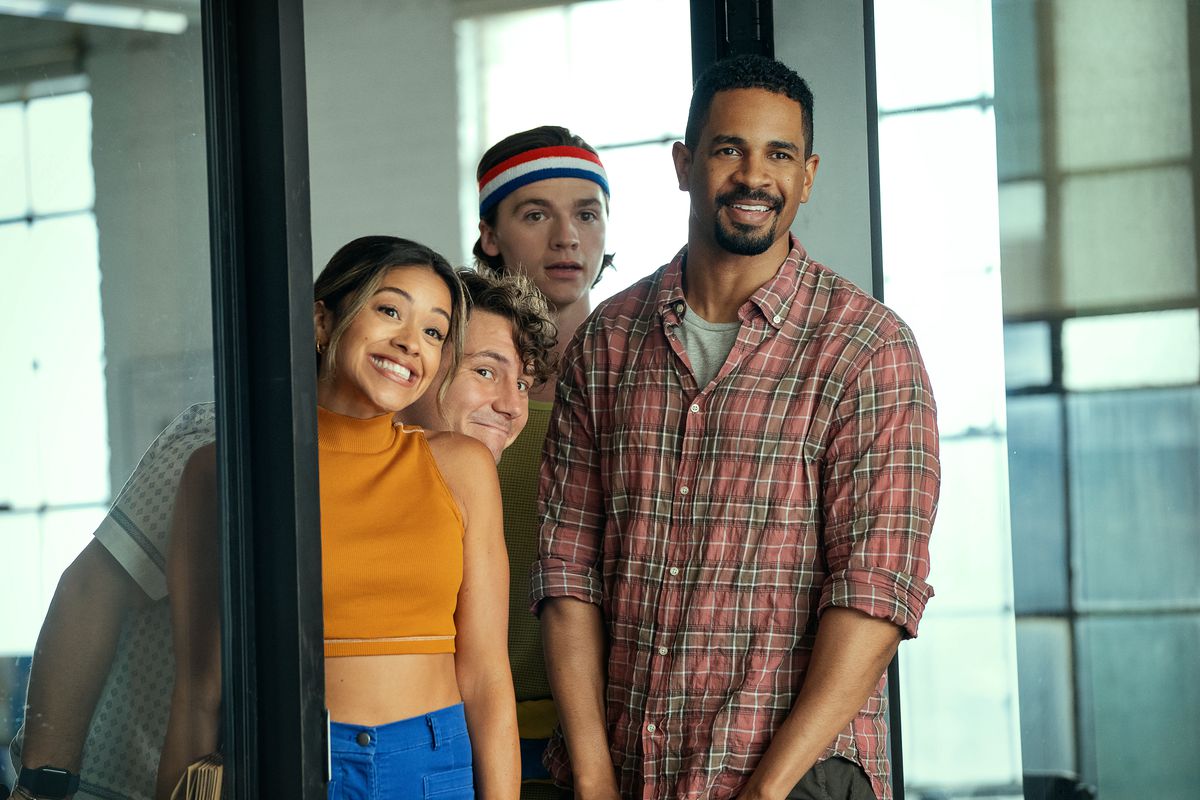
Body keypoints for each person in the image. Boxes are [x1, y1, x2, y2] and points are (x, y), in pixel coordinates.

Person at [532, 55, 940, 800]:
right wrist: (592, 779)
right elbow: (567, 575)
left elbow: (874, 596)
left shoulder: (867, 349)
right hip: (622, 771)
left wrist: (765, 790)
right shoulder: (608, 341)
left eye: (779, 154)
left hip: (796, 778)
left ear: (808, 175)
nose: (756, 176)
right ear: (685, 164)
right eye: (730, 149)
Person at [10, 256, 555, 800]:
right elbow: (110, 608)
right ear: (322, 323)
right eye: (485, 370)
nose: (509, 403)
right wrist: (42, 780)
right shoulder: (223, 452)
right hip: (242, 759)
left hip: (428, 758)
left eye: (433, 331)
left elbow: (486, 676)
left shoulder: (463, 473)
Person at [468, 126, 612, 799]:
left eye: (586, 212)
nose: (566, 237)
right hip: (485, 731)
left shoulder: (641, 378)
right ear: (490, 234)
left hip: (626, 729)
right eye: (536, 214)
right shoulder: (453, 391)